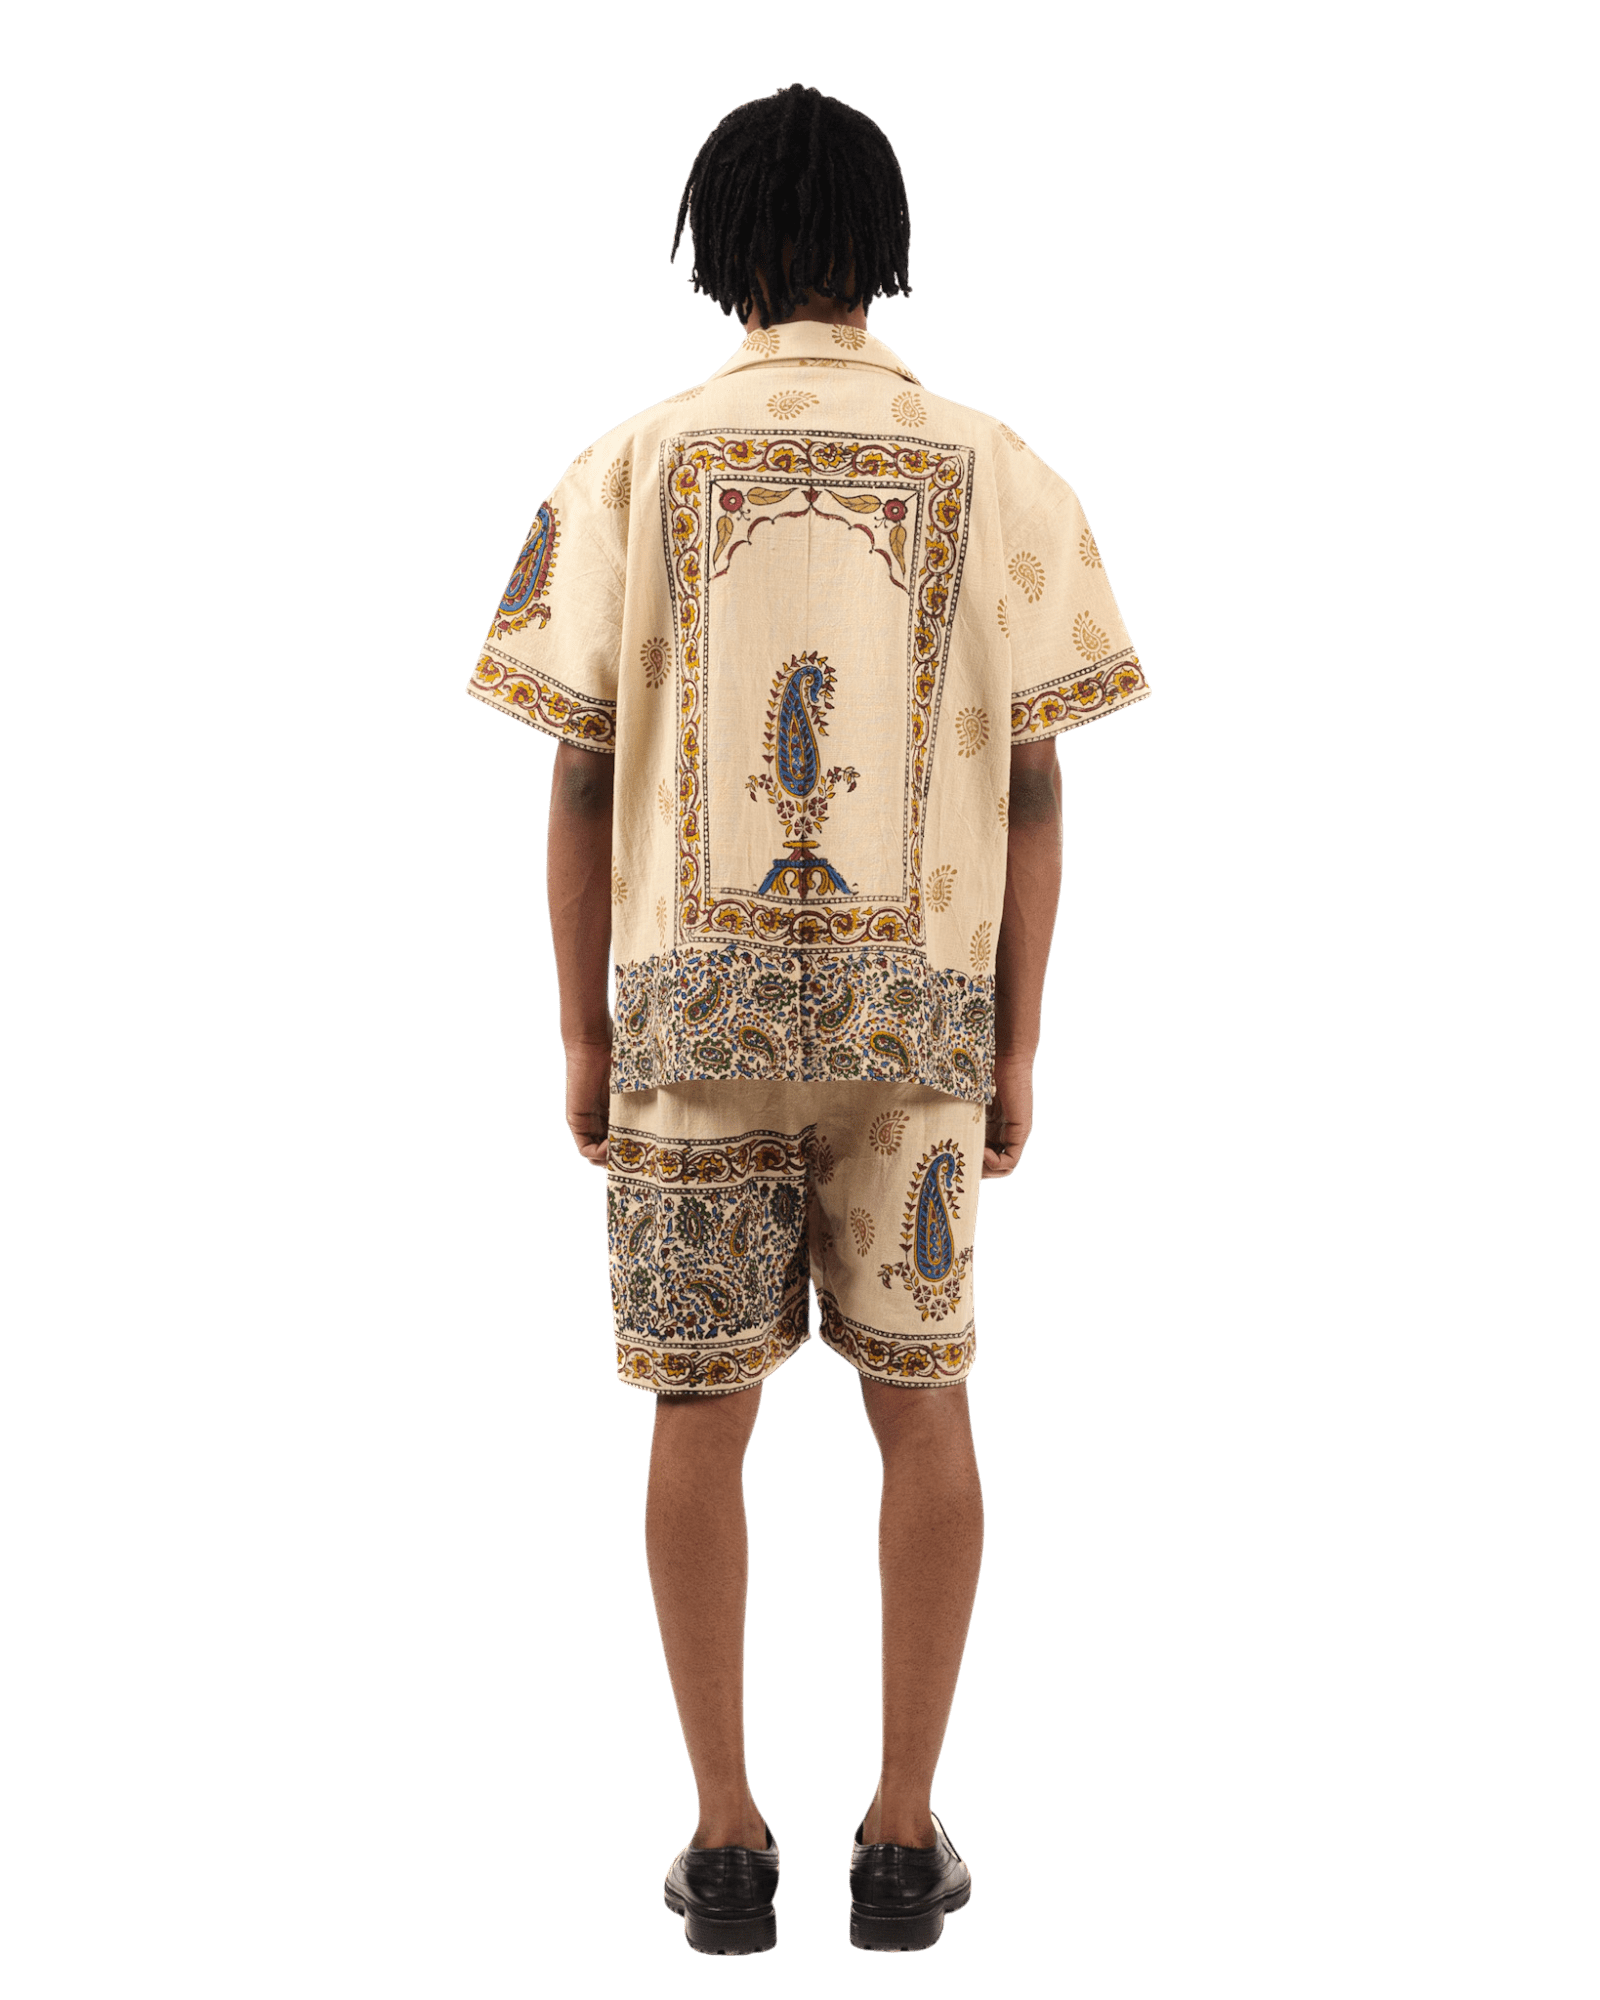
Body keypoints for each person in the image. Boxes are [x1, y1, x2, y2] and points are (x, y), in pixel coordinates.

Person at [465, 83, 1152, 1955]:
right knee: (923, 1406)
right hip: (918, 1030)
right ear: (885, 245)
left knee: (700, 1417)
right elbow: (1036, 792)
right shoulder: (1003, 470)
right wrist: (1016, 1041)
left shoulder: (630, 465)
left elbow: (579, 775)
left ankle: (724, 1845)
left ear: (720, 248)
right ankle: (903, 1841)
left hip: (686, 1028)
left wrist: (584, 1035)